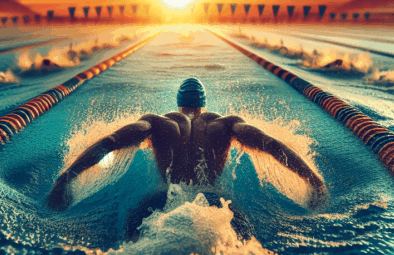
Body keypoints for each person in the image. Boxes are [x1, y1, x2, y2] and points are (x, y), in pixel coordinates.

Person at [46, 78, 328, 215]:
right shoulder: (227, 124)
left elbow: (111, 142)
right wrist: (313, 180)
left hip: (163, 201)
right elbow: (270, 145)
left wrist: (66, 178)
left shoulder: (156, 122)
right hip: (213, 205)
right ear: (203, 102)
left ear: (178, 102)